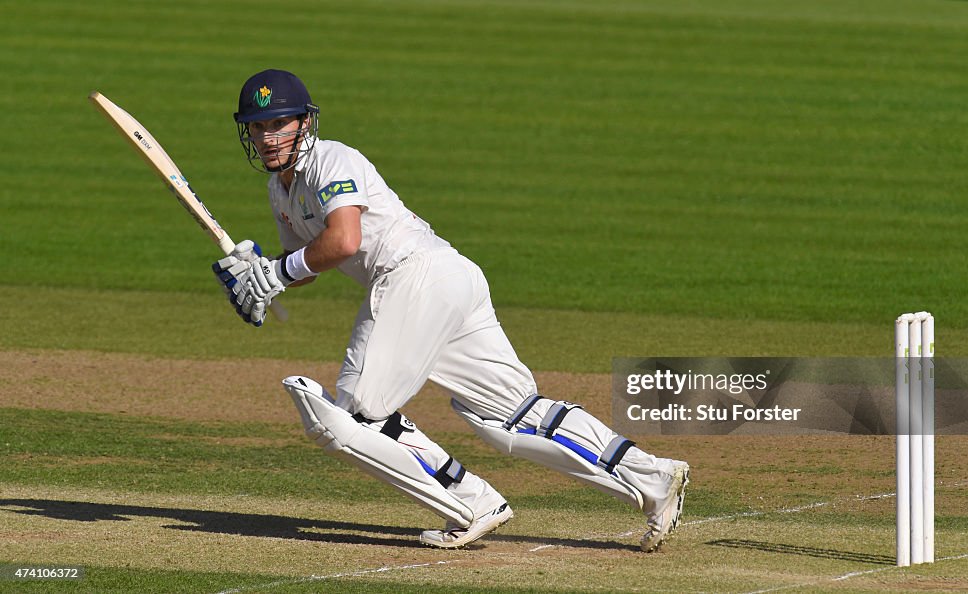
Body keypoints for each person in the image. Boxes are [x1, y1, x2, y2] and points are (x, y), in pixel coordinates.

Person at [213, 69, 689, 551]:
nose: (269, 137)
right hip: (443, 280)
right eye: (258, 127)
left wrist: (277, 274)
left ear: (304, 123)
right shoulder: (281, 190)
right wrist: (261, 275)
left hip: (413, 275)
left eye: (280, 124)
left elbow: (344, 240)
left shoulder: (332, 161)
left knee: (353, 417)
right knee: (511, 417)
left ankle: (472, 501)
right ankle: (654, 478)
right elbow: (309, 262)